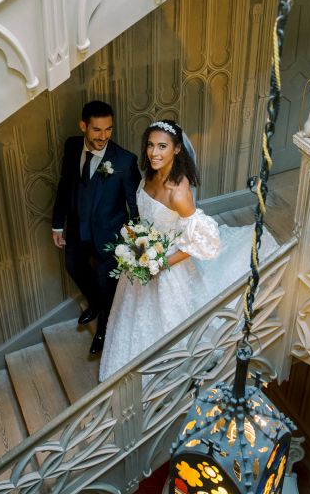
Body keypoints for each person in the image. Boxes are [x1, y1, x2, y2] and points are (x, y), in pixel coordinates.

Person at [99, 120, 277, 382]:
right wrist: (136, 242)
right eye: (150, 145)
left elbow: (202, 242)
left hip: (166, 264)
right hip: (143, 255)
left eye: (162, 146)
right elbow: (144, 215)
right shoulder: (149, 174)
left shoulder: (178, 193)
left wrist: (161, 263)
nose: (154, 153)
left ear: (177, 149)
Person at [52, 100, 140, 355]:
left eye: (108, 129)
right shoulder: (71, 147)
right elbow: (64, 185)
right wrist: (58, 224)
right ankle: (95, 304)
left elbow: (134, 207)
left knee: (106, 285)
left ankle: (105, 324)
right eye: (96, 130)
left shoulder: (124, 161)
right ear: (83, 126)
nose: (103, 137)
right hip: (77, 231)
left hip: (109, 236)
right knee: (74, 267)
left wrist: (133, 244)